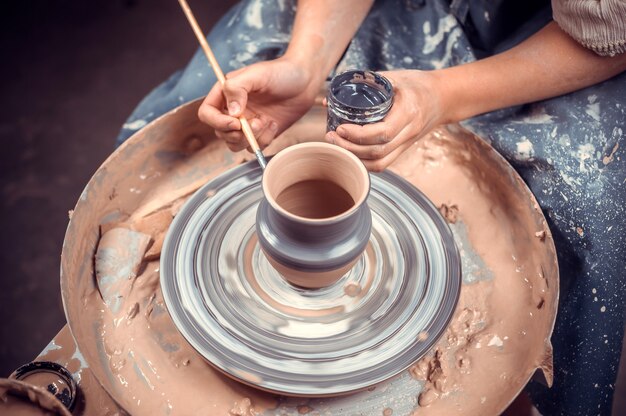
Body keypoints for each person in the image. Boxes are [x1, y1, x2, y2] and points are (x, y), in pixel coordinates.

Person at [117, 1, 626, 414]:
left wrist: (439, 98)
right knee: (194, 103)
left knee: (579, 205)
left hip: (557, 39)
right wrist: (306, 65)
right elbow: (306, 61)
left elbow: (605, 39)